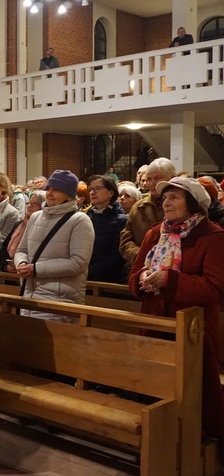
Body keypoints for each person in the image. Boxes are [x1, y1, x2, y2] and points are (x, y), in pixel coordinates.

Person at [128, 177, 224, 459]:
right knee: (156, 387)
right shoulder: (155, 233)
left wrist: (169, 280)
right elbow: (134, 273)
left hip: (194, 329)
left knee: (197, 395)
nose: (166, 203)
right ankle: (157, 447)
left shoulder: (212, 236)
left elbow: (214, 287)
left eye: (174, 198)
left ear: (193, 204)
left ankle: (198, 451)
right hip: (155, 322)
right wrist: (142, 280)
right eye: (164, 198)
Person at [15, 169, 95, 321]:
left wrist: (36, 269)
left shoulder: (80, 221)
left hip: (60, 301)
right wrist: (22, 263)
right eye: (49, 189)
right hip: (29, 295)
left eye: (57, 190)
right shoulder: (35, 217)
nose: (50, 193)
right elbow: (22, 249)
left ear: (69, 195)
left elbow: (78, 263)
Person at [119, 157, 175, 266]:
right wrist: (140, 255)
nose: (152, 183)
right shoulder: (138, 207)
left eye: (157, 178)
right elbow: (126, 239)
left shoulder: (182, 206)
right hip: (141, 266)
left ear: (172, 178)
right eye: (149, 179)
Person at [85, 175, 127, 283]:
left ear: (111, 193)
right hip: (83, 275)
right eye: (90, 189)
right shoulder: (85, 217)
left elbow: (116, 256)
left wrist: (90, 271)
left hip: (107, 278)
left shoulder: (121, 220)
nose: (92, 192)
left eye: (97, 188)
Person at [0, 191, 46, 272]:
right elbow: (4, 247)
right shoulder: (19, 225)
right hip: (11, 272)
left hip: (31, 271)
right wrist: (6, 266)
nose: (29, 206)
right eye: (29, 203)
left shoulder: (45, 228)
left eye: (34, 204)